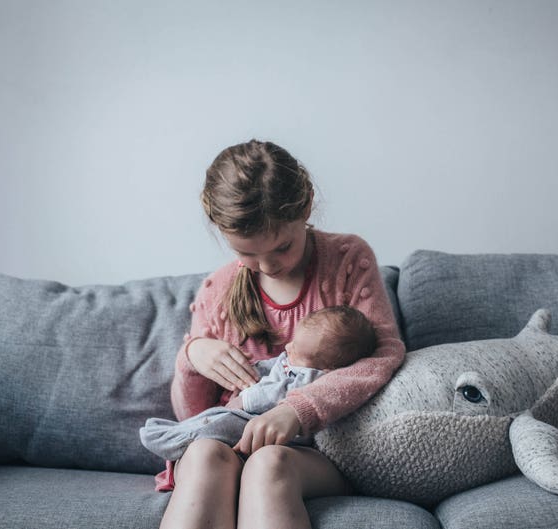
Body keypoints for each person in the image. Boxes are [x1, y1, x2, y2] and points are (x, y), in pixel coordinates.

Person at [157, 139, 405, 529]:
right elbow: (194, 418)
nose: (268, 266)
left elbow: (383, 355)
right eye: (248, 255)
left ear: (306, 205)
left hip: (316, 451)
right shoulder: (218, 289)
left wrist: (297, 409)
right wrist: (192, 358)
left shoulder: (347, 260)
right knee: (203, 455)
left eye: (282, 247)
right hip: (227, 444)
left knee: (268, 462)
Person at [140, 305, 377, 461]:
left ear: (327, 369)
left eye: (296, 350)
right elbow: (272, 368)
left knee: (225, 422)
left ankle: (179, 439)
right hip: (250, 417)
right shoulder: (297, 357)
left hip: (271, 427)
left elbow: (278, 392)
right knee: (216, 422)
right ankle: (181, 432)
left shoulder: (313, 378)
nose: (287, 347)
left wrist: (245, 400)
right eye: (292, 342)